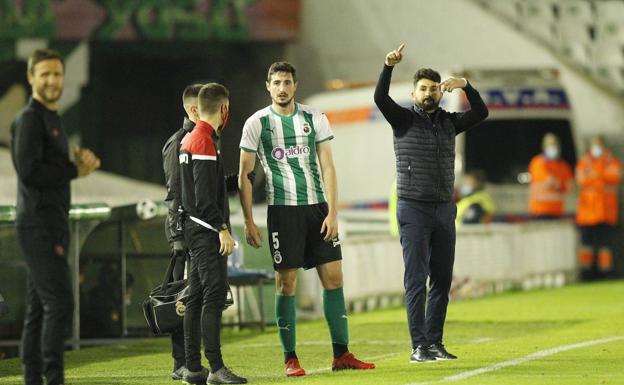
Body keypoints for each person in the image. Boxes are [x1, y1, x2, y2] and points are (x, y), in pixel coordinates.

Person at [238, 61, 375, 377]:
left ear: (295, 85)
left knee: (335, 278)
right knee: (286, 283)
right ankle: (290, 358)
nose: (282, 88)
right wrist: (247, 220)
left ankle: (341, 354)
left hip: (317, 210)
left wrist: (333, 211)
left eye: (287, 82)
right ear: (268, 86)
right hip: (283, 212)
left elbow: (328, 166)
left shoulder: (315, 118)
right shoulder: (257, 123)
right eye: (277, 82)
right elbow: (246, 174)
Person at [374, 43, 488, 363]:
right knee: (416, 279)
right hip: (413, 208)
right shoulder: (403, 120)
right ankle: (418, 345)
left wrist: (466, 85)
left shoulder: (450, 122)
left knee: (441, 279)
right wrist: (388, 67)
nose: (428, 93)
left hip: (443, 208)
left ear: (440, 93)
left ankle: (435, 342)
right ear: (413, 94)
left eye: (433, 88)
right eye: (422, 89)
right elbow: (380, 99)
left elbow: (481, 113)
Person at [10, 48, 100, 385]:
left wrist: (77, 164)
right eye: (44, 74)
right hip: (37, 224)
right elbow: (30, 172)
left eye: (57, 74)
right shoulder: (29, 120)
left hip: (53, 222)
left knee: (39, 307)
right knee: (60, 302)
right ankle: (53, 378)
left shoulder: (53, 120)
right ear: (31, 78)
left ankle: (33, 376)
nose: (52, 81)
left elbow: (53, 168)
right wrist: (73, 170)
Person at [179, 83, 247, 385]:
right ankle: (216, 368)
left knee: (194, 297)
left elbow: (201, 189)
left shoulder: (191, 139)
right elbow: (205, 198)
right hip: (205, 231)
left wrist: (241, 180)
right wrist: (221, 229)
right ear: (224, 109)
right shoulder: (204, 140)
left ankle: (193, 367)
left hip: (194, 228)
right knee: (214, 295)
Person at [575, 135, 621, 280]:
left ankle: (605, 273)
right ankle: (587, 273)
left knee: (604, 246)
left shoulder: (611, 161)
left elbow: (615, 177)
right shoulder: (584, 162)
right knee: (587, 246)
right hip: (587, 213)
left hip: (605, 213)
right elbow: (581, 180)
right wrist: (600, 178)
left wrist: (595, 176)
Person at [528, 133, 573, 219]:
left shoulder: (563, 166)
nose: (552, 147)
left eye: (555, 144)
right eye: (550, 144)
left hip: (557, 211)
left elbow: (569, 186)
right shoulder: (537, 162)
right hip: (539, 211)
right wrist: (560, 185)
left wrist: (559, 185)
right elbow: (549, 181)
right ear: (544, 146)